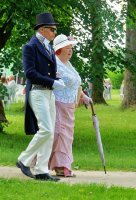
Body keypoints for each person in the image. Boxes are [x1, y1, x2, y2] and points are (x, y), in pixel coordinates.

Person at [16, 12, 65, 182]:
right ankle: (23, 160)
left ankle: (41, 170)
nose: (54, 33)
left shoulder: (49, 47)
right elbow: (30, 73)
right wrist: (52, 81)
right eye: (52, 30)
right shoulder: (30, 47)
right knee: (46, 129)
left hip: (49, 93)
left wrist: (56, 79)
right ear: (42, 29)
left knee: (49, 133)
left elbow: (48, 71)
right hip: (37, 92)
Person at [48, 34, 92, 177]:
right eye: (67, 47)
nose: (70, 50)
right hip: (57, 103)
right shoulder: (54, 63)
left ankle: (61, 165)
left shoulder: (69, 65)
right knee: (58, 134)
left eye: (71, 48)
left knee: (66, 136)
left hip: (69, 107)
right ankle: (57, 166)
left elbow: (74, 86)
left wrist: (84, 97)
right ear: (59, 49)